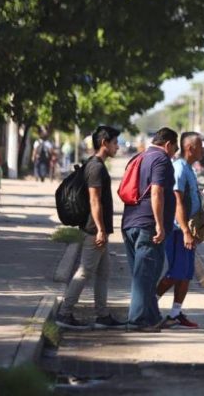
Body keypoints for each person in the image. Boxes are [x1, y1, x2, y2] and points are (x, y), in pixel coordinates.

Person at [56, 126, 126, 330]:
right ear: (104, 143)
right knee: (85, 271)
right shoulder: (96, 168)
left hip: (96, 228)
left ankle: (103, 315)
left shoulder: (95, 165)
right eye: (114, 142)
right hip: (93, 229)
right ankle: (65, 313)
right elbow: (95, 201)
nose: (117, 147)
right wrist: (101, 230)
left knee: (104, 273)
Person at [121, 127, 179, 332]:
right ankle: (137, 321)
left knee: (146, 276)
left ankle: (153, 317)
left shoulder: (140, 157)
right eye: (176, 148)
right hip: (148, 226)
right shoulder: (161, 159)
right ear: (168, 144)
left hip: (130, 223)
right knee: (144, 277)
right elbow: (156, 193)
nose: (175, 153)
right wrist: (160, 225)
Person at [156, 131, 204, 329]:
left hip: (187, 230)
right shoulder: (179, 168)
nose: (203, 150)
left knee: (185, 274)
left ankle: (175, 314)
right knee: (176, 273)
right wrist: (185, 230)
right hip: (177, 232)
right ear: (190, 148)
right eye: (200, 146)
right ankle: (148, 303)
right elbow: (177, 200)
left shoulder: (189, 169)